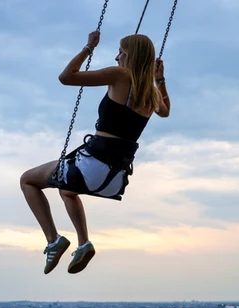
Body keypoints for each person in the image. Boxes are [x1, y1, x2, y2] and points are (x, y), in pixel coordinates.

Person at [19, 30, 171, 275]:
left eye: (121, 52)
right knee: (67, 189)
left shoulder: (120, 75)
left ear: (131, 56)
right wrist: (160, 81)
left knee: (27, 179)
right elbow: (165, 112)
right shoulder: (151, 93)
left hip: (93, 165)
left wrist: (89, 48)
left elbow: (66, 77)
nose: (116, 57)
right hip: (115, 179)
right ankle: (83, 243)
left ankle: (53, 239)